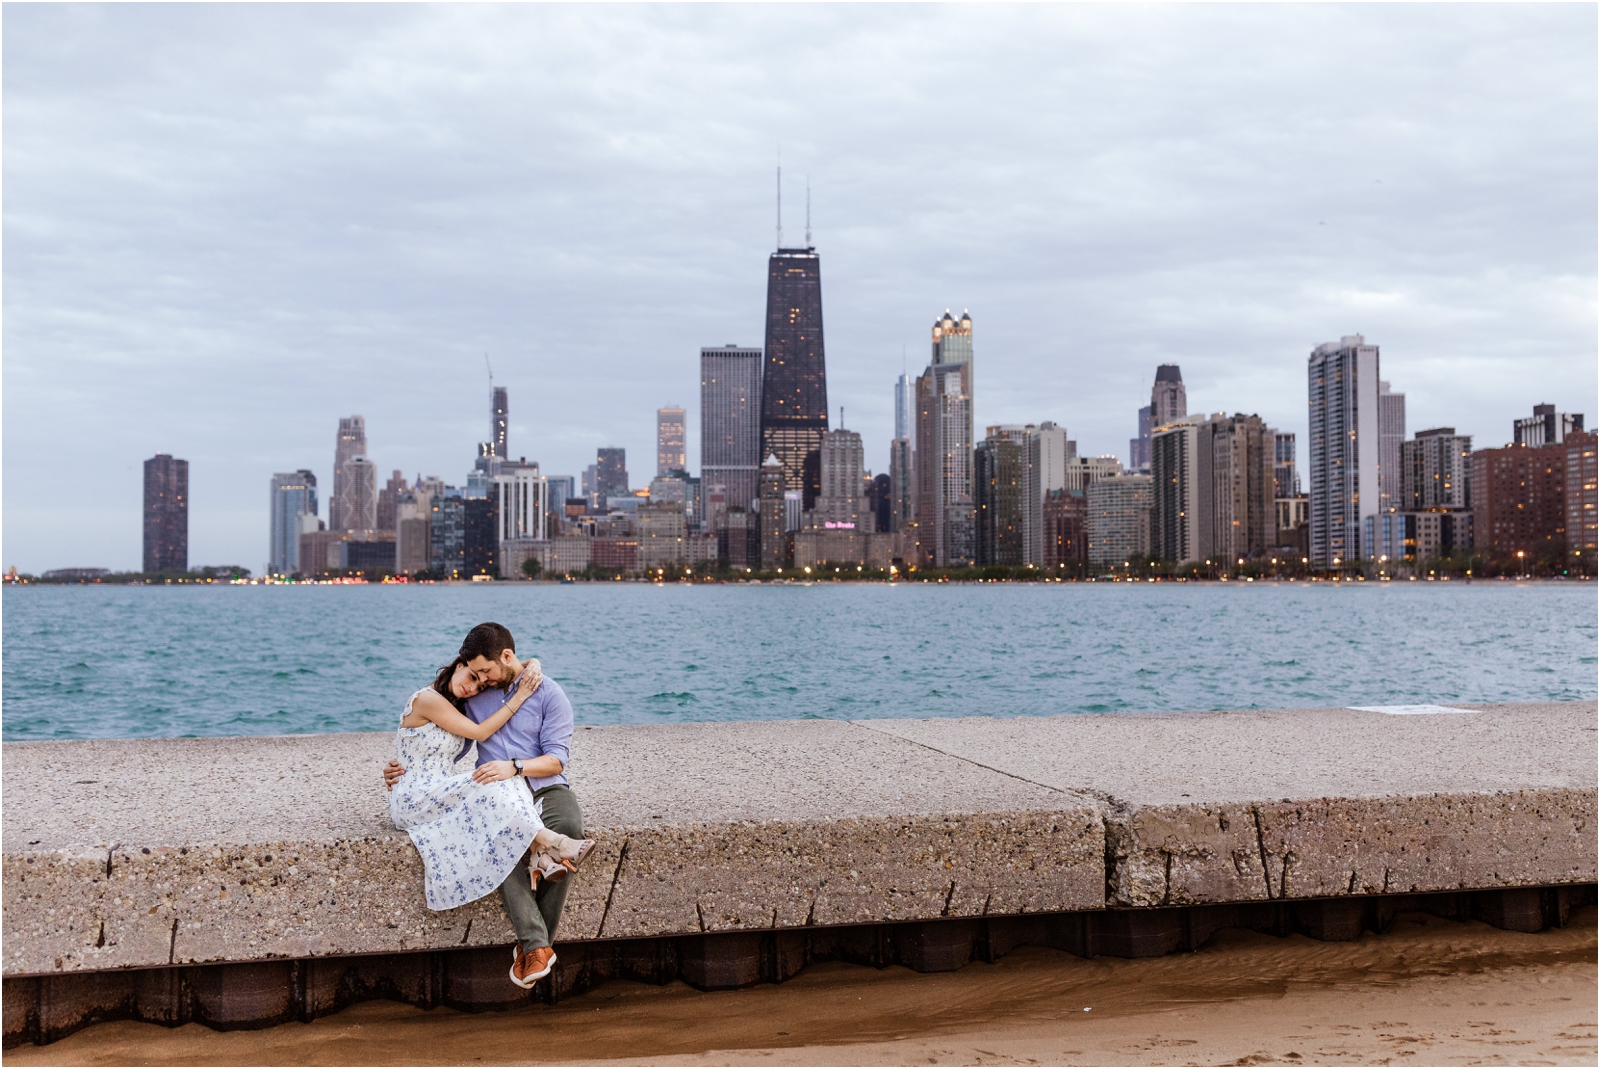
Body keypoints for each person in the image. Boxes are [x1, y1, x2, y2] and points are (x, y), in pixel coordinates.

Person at [385, 622, 588, 989]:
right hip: (495, 791)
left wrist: (516, 766)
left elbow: (557, 759)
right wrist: (402, 769)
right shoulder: (474, 696)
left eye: (485, 673)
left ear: (506, 657)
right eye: (475, 674)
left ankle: (534, 946)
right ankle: (537, 946)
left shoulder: (549, 694)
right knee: (498, 838)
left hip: (542, 784)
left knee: (570, 828)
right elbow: (446, 740)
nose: (481, 681)